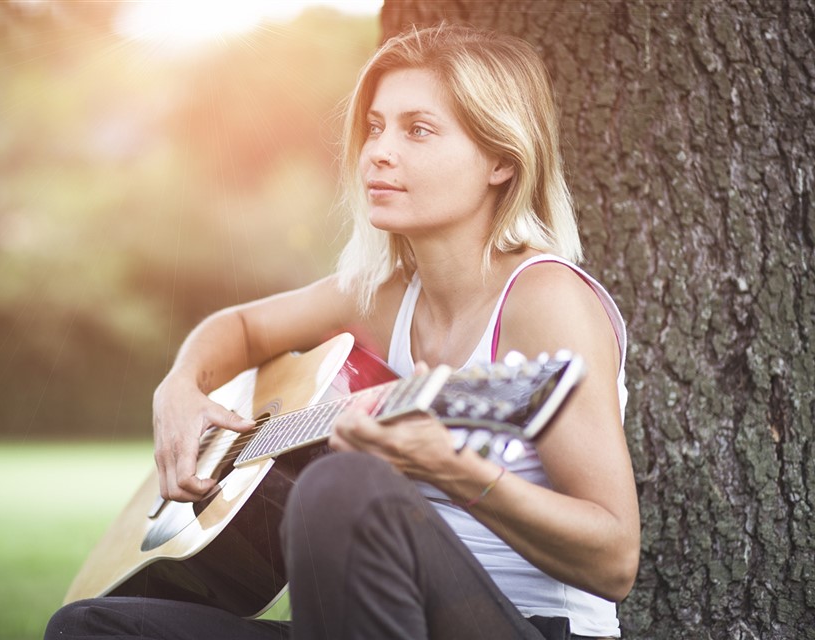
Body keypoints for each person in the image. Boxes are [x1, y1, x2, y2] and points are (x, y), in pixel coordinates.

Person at [46, 23, 640, 640]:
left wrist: (456, 470)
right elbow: (242, 328)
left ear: (501, 160)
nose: (379, 151)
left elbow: (615, 561)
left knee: (340, 486)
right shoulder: (384, 296)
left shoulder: (546, 300)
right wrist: (180, 388)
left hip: (527, 626)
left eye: (418, 129)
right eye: (376, 127)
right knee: (89, 628)